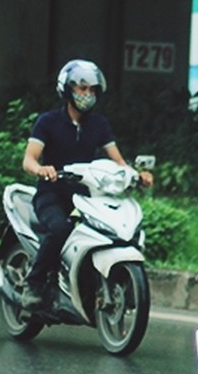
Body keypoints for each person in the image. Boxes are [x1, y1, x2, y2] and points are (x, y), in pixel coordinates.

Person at [19, 59, 153, 309]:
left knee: (110, 232)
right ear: (68, 90)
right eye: (82, 89)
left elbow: (119, 161)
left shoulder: (99, 124)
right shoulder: (48, 122)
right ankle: (34, 283)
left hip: (86, 196)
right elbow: (29, 159)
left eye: (92, 90)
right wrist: (41, 169)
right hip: (52, 194)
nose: (88, 95)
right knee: (60, 229)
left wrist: (137, 175)